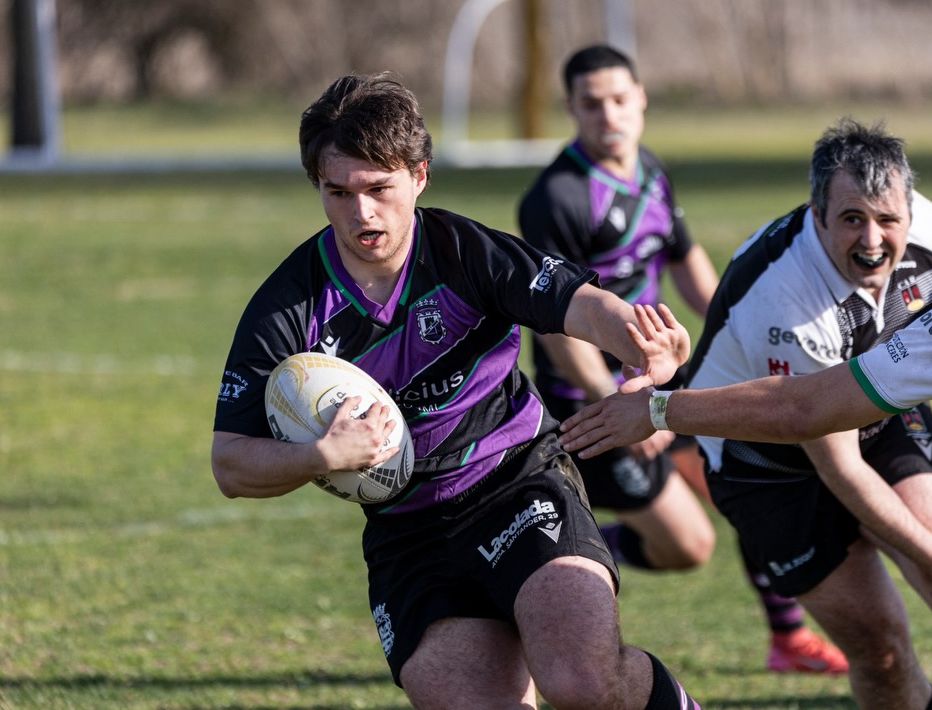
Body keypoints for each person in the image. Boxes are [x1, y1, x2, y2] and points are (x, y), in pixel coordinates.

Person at [211, 73, 701, 710]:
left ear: (419, 176)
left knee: (583, 682)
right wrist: (320, 456)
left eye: (379, 188)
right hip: (409, 534)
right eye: (338, 192)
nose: (361, 213)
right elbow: (229, 463)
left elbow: (582, 306)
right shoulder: (289, 305)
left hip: (518, 482)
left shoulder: (464, 252)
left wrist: (642, 344)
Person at [562, 118, 932, 710]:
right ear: (815, 214)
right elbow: (826, 447)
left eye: (888, 221)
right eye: (851, 220)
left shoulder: (928, 221)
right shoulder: (783, 297)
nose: (873, 241)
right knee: (882, 647)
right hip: (764, 463)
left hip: (868, 416)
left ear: (909, 211)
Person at [517, 43, 847, 675]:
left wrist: (739, 332)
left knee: (756, 467)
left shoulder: (650, 170)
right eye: (591, 105)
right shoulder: (555, 198)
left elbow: (689, 267)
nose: (608, 115)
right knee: (687, 546)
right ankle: (547, 566)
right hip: (591, 404)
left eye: (619, 99)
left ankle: (788, 638)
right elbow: (558, 327)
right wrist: (614, 403)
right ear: (571, 110)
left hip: (662, 380)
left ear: (641, 98)